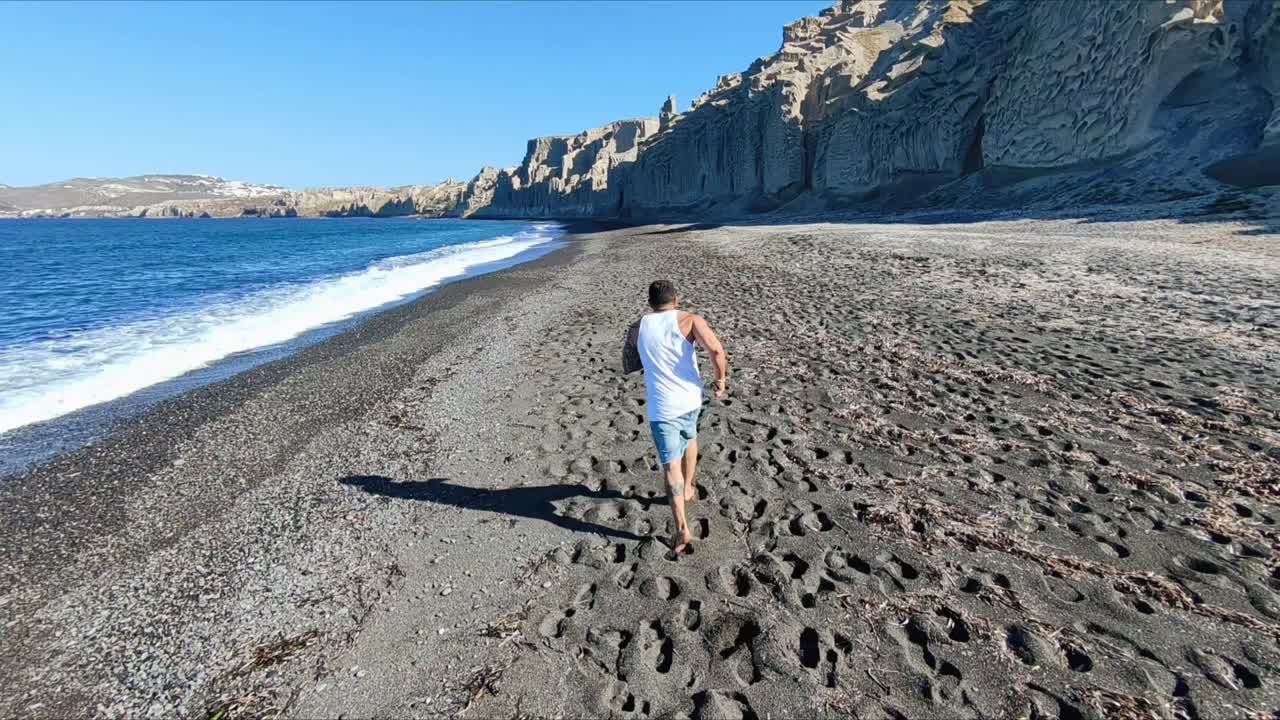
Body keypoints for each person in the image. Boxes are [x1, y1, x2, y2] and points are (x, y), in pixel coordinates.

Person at [623, 280, 728, 555]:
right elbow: (716, 350)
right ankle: (689, 487)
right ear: (676, 299)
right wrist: (721, 381)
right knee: (690, 436)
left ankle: (682, 526)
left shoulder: (637, 328)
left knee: (671, 468)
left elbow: (631, 364)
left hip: (662, 408)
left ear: (650, 303)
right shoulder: (691, 320)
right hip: (691, 399)